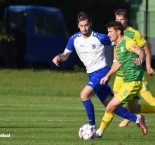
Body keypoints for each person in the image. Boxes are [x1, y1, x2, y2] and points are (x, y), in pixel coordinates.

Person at [52, 11, 145, 131]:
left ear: (90, 24)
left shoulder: (99, 37)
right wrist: (59, 57)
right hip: (91, 74)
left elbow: (117, 42)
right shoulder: (74, 39)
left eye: (86, 25)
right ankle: (137, 119)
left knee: (84, 95)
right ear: (78, 25)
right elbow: (65, 54)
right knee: (110, 105)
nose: (84, 28)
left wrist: (117, 60)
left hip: (102, 71)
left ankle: (91, 127)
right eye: (81, 26)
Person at [96, 21, 148, 138]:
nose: (108, 34)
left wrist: (140, 58)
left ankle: (99, 132)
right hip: (127, 82)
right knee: (134, 108)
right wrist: (107, 76)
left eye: (110, 31)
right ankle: (138, 118)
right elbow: (119, 63)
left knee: (110, 106)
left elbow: (141, 51)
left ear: (118, 32)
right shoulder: (118, 46)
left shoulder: (128, 41)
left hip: (133, 82)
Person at [114, 9, 155, 127]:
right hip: (121, 73)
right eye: (117, 19)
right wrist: (114, 64)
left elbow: (146, 49)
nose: (119, 22)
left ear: (127, 20)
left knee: (148, 99)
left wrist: (148, 66)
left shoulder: (134, 33)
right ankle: (133, 116)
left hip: (133, 73)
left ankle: (130, 117)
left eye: (122, 19)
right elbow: (116, 49)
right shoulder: (115, 32)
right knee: (124, 102)